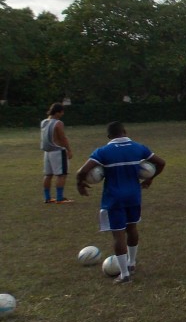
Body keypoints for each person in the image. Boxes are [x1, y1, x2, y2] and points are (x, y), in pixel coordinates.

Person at [75, 122, 166, 284]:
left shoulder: (103, 152)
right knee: (132, 228)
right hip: (134, 196)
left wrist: (79, 184)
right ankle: (131, 263)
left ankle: (124, 275)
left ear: (109, 136)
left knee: (118, 235)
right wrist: (150, 179)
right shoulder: (139, 148)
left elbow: (82, 171)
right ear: (125, 132)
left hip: (114, 198)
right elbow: (161, 162)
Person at [40, 102, 74, 203]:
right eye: (62, 112)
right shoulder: (58, 123)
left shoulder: (44, 122)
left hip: (47, 152)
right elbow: (62, 138)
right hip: (57, 151)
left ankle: (47, 197)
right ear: (58, 112)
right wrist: (69, 150)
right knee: (61, 174)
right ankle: (59, 198)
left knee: (48, 175)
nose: (62, 114)